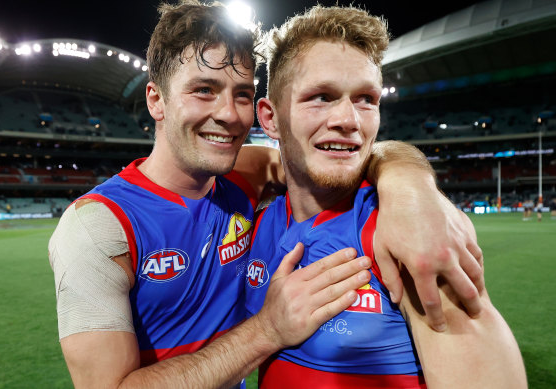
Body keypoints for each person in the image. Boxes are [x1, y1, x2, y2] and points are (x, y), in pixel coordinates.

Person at [49, 1, 486, 387]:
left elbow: (332, 156)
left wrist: (410, 186)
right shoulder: (97, 227)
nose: (228, 114)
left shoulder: (241, 178)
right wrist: (267, 330)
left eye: (242, 94)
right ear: (156, 99)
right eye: (204, 89)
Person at [246, 5, 526, 388]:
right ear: (269, 118)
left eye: (366, 99)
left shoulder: (402, 236)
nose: (349, 120)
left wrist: (410, 184)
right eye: (321, 97)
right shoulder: (252, 216)